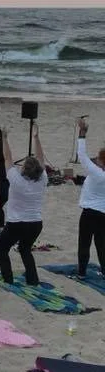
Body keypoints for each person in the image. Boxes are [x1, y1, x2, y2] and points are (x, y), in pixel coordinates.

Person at [0, 124, 47, 285]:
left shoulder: (16, 179)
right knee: (25, 250)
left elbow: (8, 157)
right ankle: (33, 280)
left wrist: (4, 138)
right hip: (35, 223)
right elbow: (41, 158)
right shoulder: (43, 179)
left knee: (1, 249)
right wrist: (36, 138)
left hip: (17, 224)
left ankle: (8, 279)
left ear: (24, 169)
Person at [75, 117, 105, 278]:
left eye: (99, 158)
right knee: (101, 244)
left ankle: (81, 273)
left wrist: (82, 133)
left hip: (90, 213)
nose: (97, 159)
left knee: (84, 243)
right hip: (103, 214)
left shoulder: (96, 173)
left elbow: (81, 155)